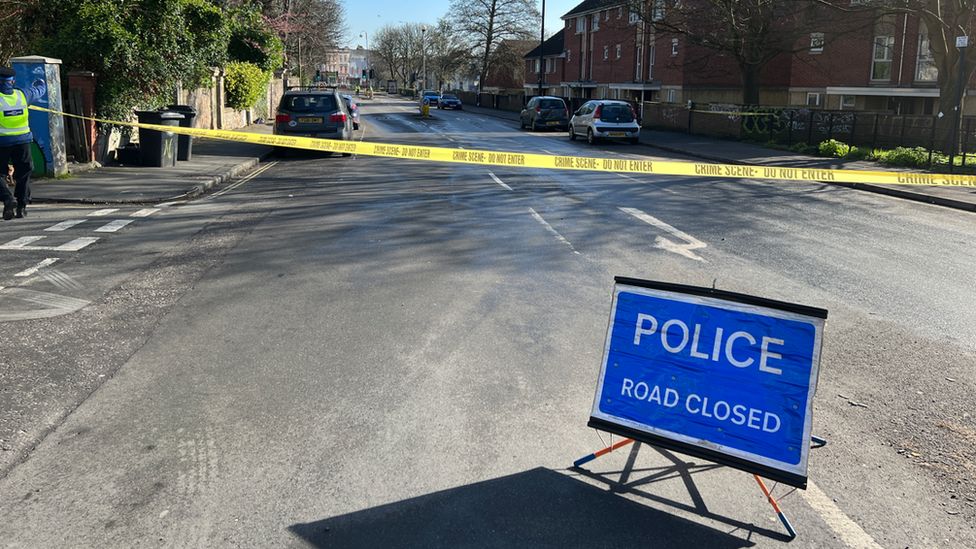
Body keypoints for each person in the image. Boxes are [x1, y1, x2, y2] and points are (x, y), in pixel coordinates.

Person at [0, 67, 46, 220]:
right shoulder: (22, 95)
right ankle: (21, 206)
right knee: (24, 173)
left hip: (2, 143)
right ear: (12, 81)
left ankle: (7, 199)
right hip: (23, 141)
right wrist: (39, 80)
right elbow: (40, 90)